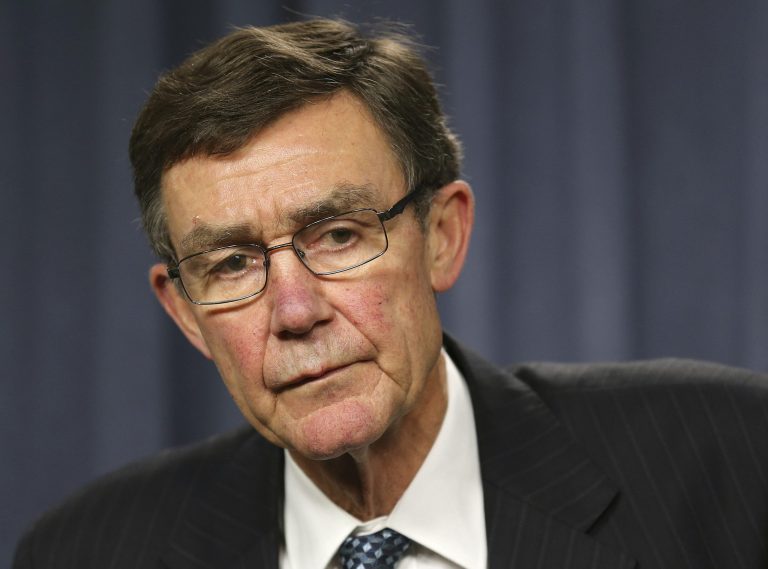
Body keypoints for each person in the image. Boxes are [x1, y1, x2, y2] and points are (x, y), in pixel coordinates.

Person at [13, 18, 768, 569]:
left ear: (441, 233)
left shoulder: (733, 459)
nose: (296, 311)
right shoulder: (83, 550)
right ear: (185, 313)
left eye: (338, 234)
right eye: (233, 264)